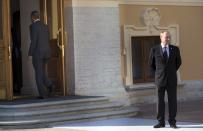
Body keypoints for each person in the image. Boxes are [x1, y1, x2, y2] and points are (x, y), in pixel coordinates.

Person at [149, 31, 182, 128]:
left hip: (171, 80)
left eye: (169, 37)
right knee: (160, 101)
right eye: (166, 37)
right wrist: (159, 74)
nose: (167, 39)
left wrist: (171, 71)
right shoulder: (154, 49)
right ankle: (161, 122)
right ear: (161, 37)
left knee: (172, 101)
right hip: (160, 80)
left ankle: (172, 122)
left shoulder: (175, 49)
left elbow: (178, 62)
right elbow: (151, 64)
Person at [29, 11, 53, 99]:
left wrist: (30, 53)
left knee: (38, 73)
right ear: (38, 16)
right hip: (46, 52)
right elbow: (48, 39)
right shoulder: (45, 26)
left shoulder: (33, 27)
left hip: (38, 53)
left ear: (32, 17)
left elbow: (34, 41)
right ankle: (49, 84)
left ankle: (42, 94)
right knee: (42, 71)